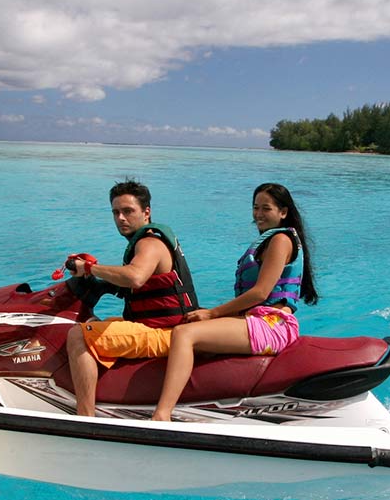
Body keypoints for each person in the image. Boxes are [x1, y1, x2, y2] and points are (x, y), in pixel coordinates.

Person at [152, 183, 318, 421]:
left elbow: (260, 293)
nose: (258, 214)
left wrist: (213, 313)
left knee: (184, 334)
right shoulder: (270, 240)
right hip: (259, 320)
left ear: (283, 212)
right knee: (188, 322)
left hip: (273, 325)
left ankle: (162, 414)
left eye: (266, 208)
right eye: (255, 207)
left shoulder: (281, 240)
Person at [63, 180, 199, 416]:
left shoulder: (149, 243)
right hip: (163, 327)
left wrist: (89, 268)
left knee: (78, 336)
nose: (121, 218)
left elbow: (135, 277)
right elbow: (140, 287)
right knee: (94, 323)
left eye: (128, 211)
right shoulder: (149, 241)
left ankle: (85, 417)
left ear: (146, 212)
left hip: (165, 333)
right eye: (116, 212)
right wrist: (102, 283)